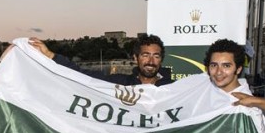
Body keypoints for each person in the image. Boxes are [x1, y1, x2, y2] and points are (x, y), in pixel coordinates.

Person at [29, 34, 173, 86]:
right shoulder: (119, 83)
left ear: (161, 60)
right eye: (145, 55)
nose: (151, 61)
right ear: (135, 58)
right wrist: (50, 55)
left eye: (156, 56)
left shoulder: (173, 89)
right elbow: (83, 75)